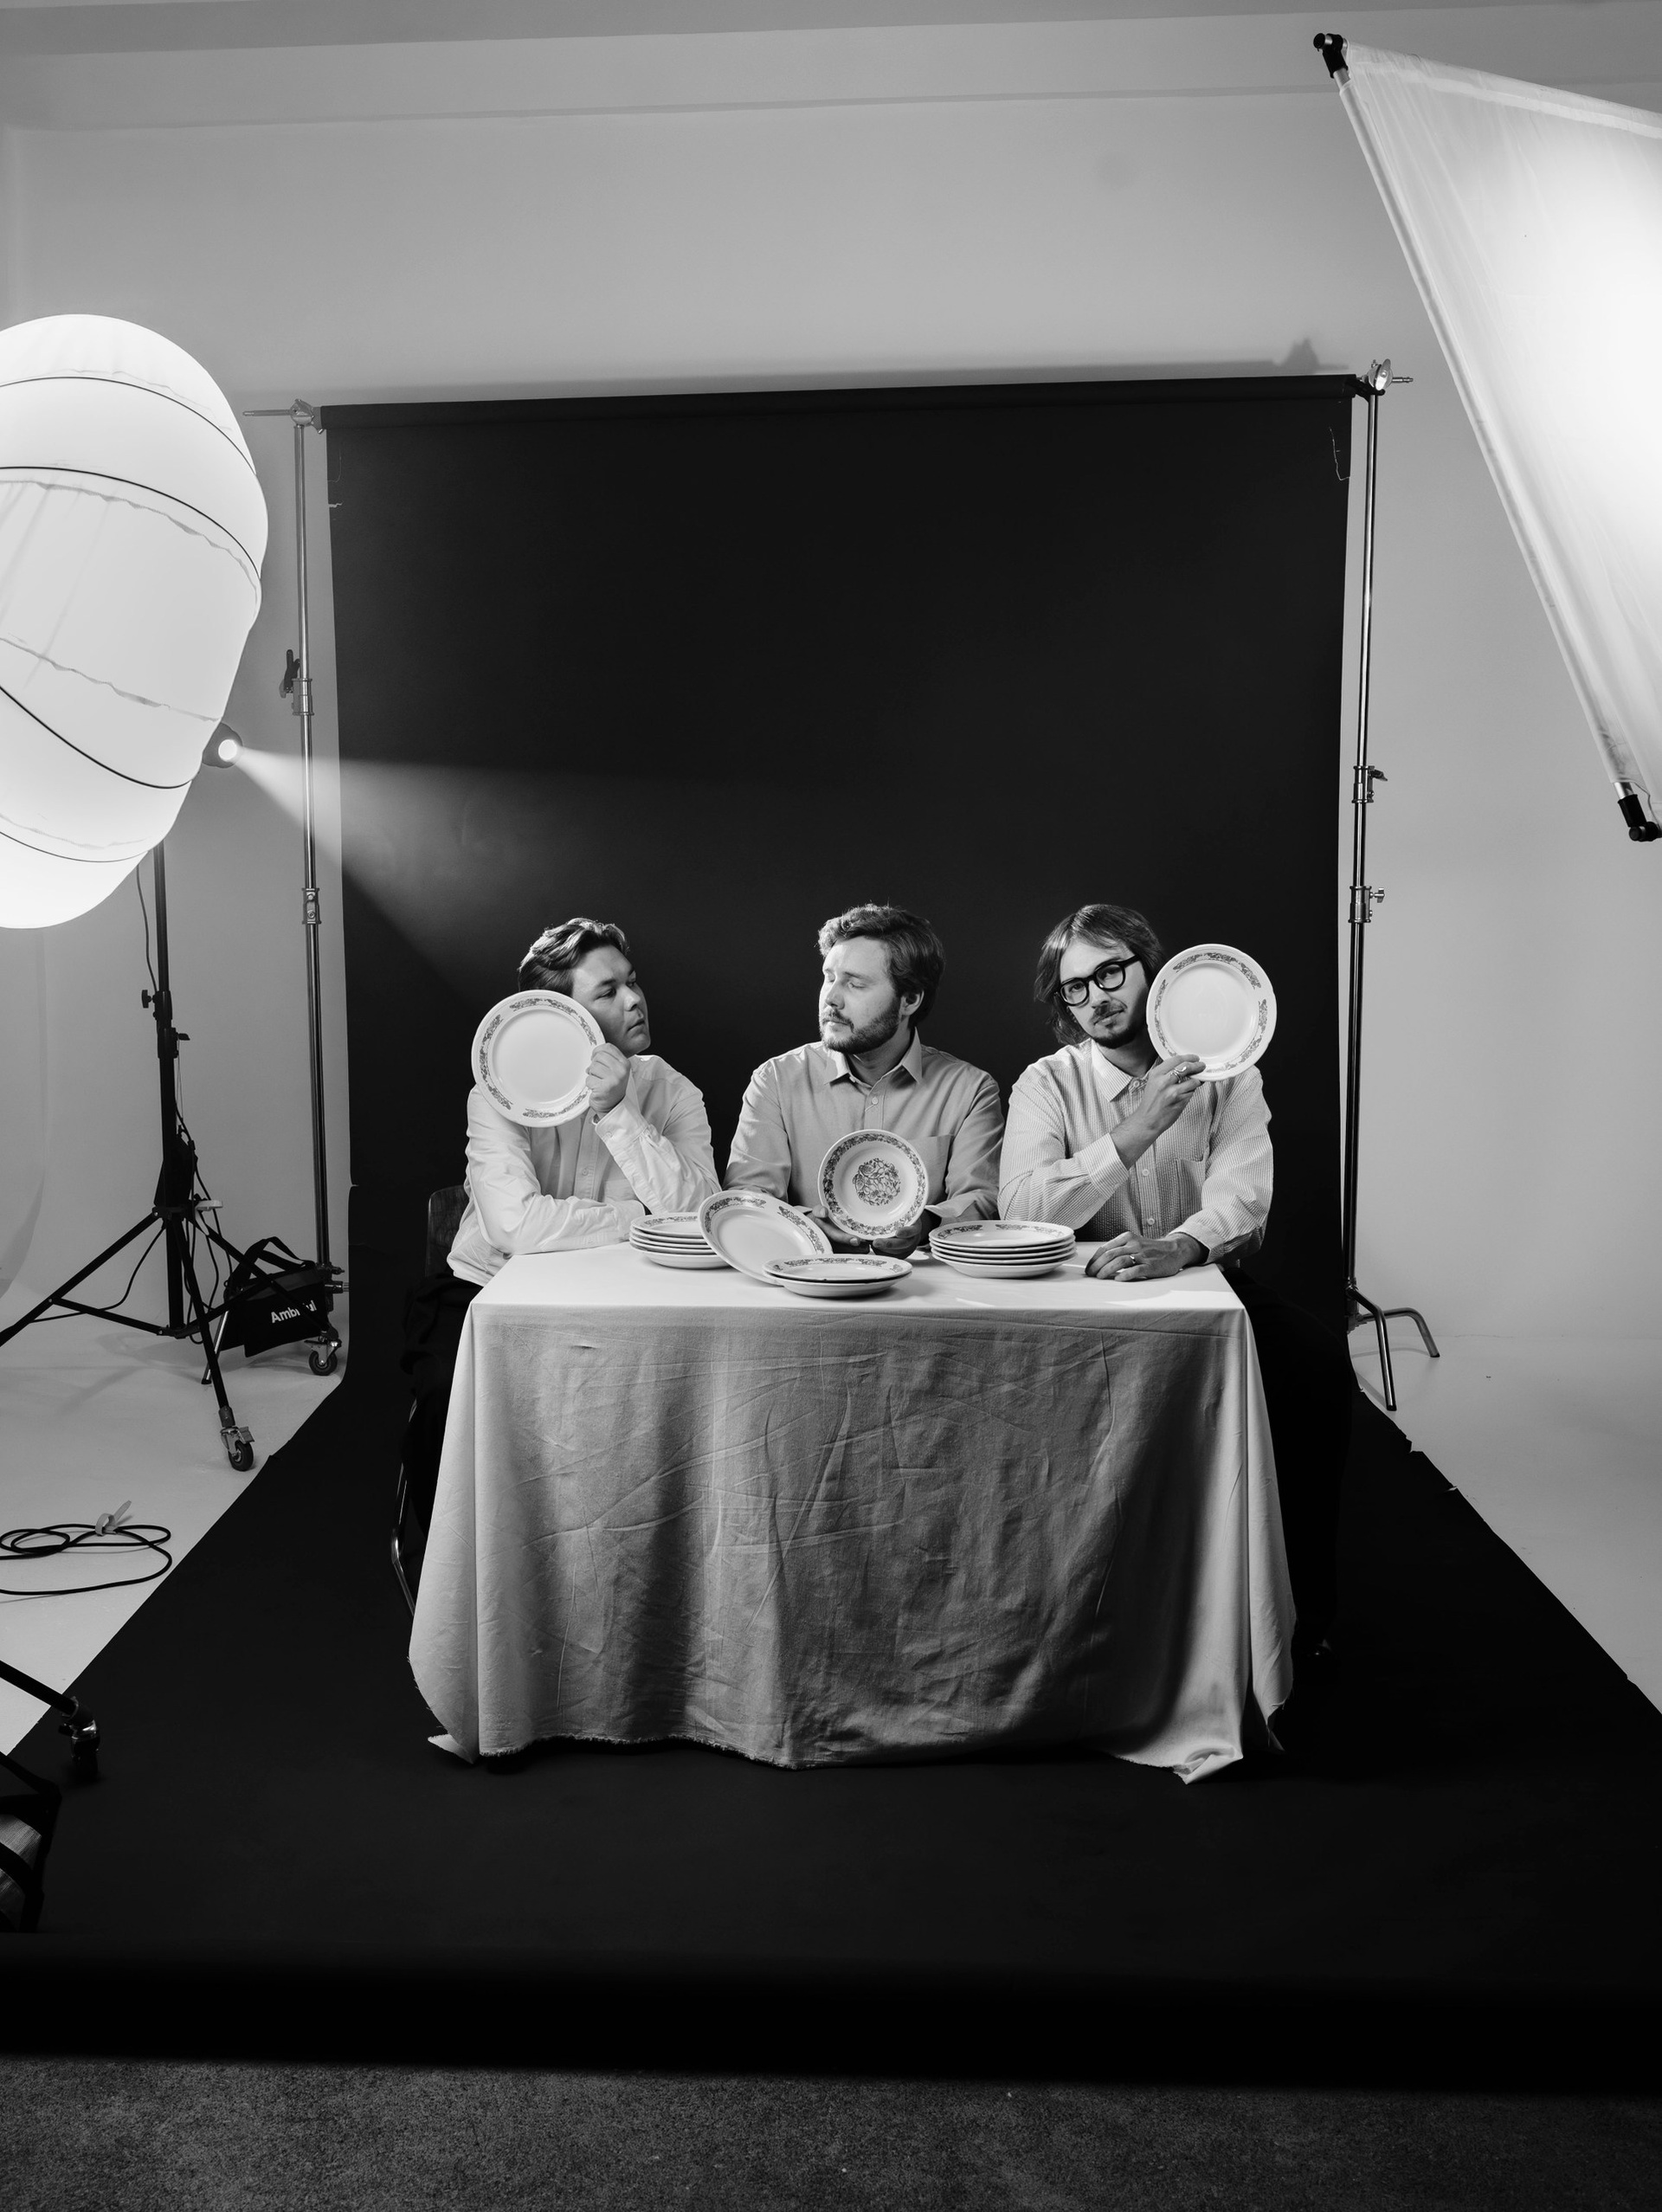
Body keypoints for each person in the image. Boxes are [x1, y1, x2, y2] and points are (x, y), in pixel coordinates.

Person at [999, 901, 1356, 1674]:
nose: (1095, 997)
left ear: (1151, 971)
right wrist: (1136, 1132)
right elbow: (1023, 1208)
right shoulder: (1047, 1083)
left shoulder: (1231, 1076)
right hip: (1077, 1296)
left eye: (1110, 973)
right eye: (1074, 988)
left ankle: (1301, 1615)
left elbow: (1244, 1198)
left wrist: (1181, 1246)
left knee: (1318, 1367)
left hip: (1200, 1280)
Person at [399, 918, 718, 1576]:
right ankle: (454, 1579)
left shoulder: (671, 1089)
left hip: (628, 1300)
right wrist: (634, 1215)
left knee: (658, 1412)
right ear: (561, 1016)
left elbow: (700, 1216)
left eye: (633, 982)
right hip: (484, 1291)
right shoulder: (496, 1094)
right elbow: (514, 1227)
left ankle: (611, 1566)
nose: (635, 1000)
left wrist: (618, 1113)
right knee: (445, 1400)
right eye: (608, 992)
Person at [725, 903, 1003, 1255]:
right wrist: (807, 1224)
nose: (831, 998)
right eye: (829, 978)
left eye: (855, 984)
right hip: (805, 1275)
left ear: (910, 1000)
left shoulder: (970, 1090)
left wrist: (924, 1225)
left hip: (924, 1281)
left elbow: (982, 1199)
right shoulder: (776, 1080)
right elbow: (747, 1197)